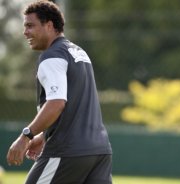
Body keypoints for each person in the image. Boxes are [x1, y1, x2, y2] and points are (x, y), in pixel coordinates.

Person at [6, 1, 112, 183]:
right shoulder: (79, 53)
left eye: (30, 26)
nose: (25, 32)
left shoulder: (52, 56)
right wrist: (45, 135)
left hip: (68, 151)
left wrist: (26, 136)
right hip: (99, 151)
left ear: (49, 25)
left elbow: (57, 104)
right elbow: (74, 108)